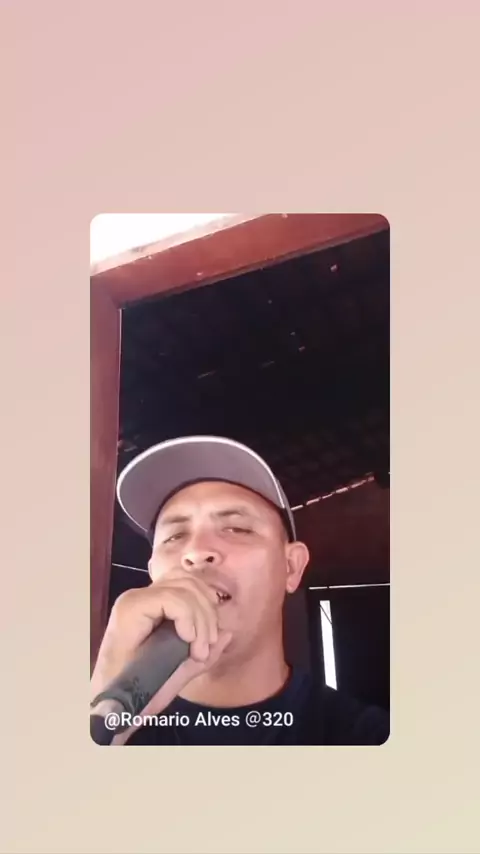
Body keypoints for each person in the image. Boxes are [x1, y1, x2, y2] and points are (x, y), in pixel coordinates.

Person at [90, 435, 389, 745]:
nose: (195, 551)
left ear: (291, 567)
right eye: (175, 536)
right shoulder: (106, 724)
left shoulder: (369, 739)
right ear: (153, 573)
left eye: (237, 528)